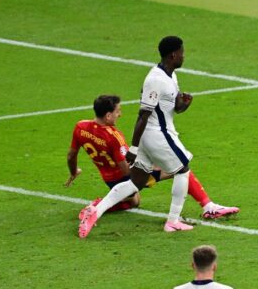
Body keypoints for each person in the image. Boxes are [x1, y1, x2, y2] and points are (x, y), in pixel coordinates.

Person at [80, 36, 213, 237]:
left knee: (136, 182)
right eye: (182, 53)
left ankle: (95, 212)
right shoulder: (155, 80)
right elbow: (143, 115)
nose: (184, 56)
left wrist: (185, 104)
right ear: (173, 54)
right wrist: (134, 148)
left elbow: (175, 108)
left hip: (156, 134)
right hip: (156, 135)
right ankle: (173, 221)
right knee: (183, 169)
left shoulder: (171, 76)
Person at [66, 94, 239, 219]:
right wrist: (151, 168)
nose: (120, 114)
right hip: (125, 177)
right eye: (118, 111)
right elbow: (126, 169)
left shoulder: (80, 127)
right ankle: (208, 206)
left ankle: (98, 206)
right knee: (179, 168)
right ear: (108, 115)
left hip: (108, 179)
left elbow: (71, 155)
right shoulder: (113, 136)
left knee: (134, 202)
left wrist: (74, 171)